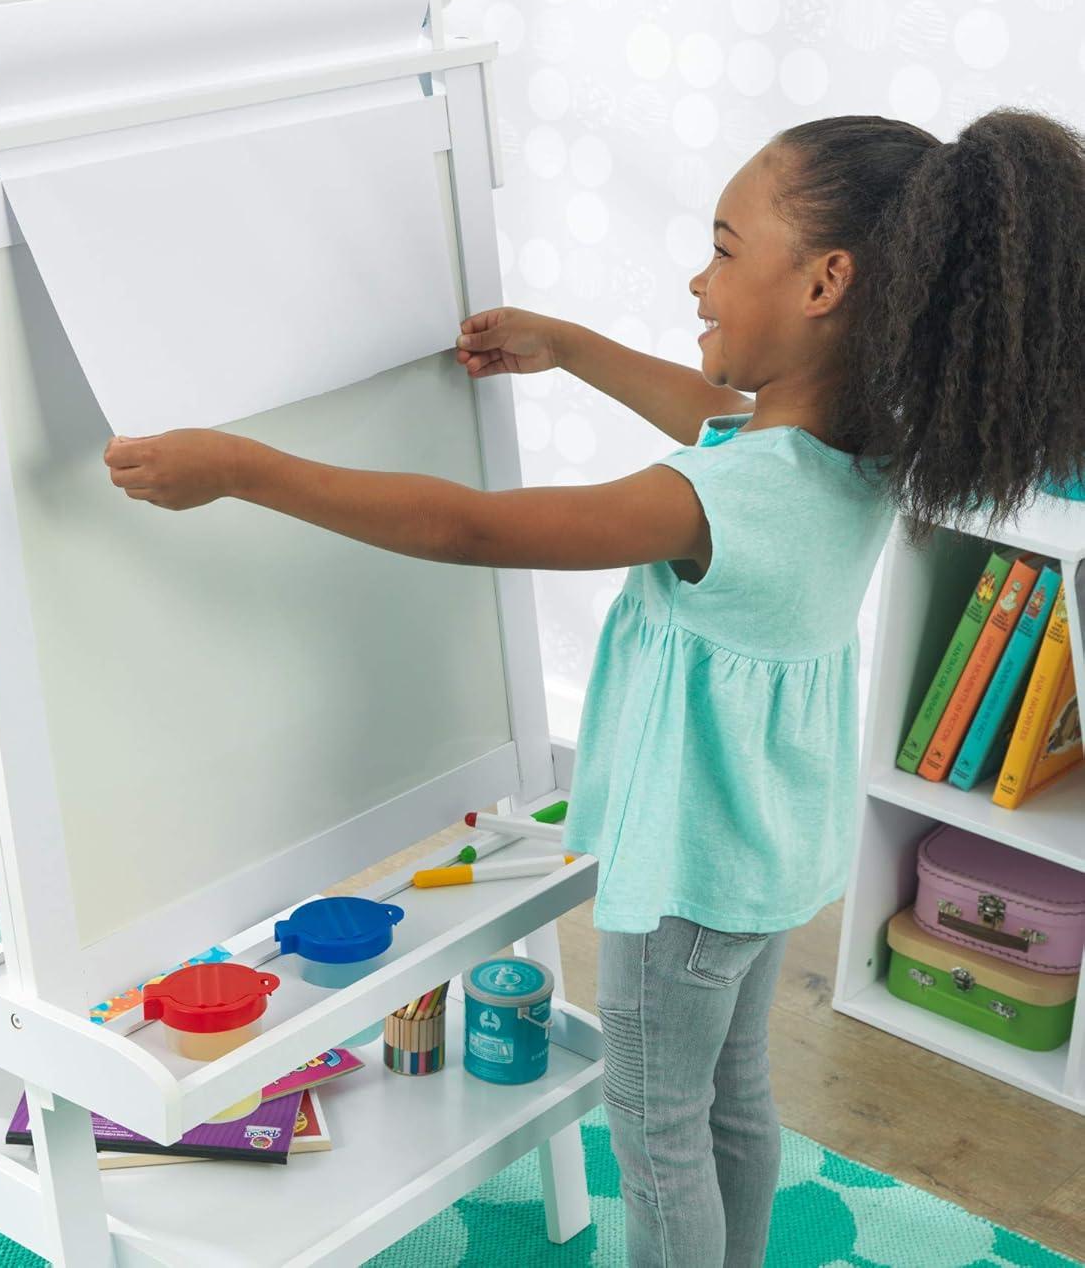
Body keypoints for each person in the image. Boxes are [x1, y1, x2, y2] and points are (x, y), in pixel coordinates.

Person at [100, 107, 1085, 1265]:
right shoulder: (860, 445)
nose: (697, 280)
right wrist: (565, 345)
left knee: (657, 1124)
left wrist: (245, 467)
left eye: (723, 248)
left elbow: (468, 527)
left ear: (825, 281)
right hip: (760, 853)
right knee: (731, 1097)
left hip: (686, 870)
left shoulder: (725, 503)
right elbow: (718, 416)